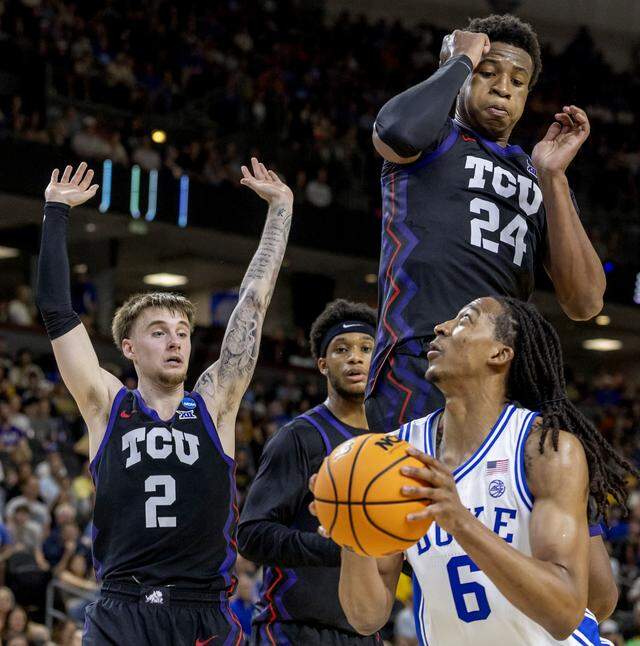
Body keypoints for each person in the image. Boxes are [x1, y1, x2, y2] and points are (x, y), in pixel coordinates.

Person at [35, 159, 294, 645]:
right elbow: (54, 309)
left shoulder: (216, 402)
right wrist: (55, 211)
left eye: (182, 332)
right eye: (159, 332)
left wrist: (281, 210)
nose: (176, 342)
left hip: (203, 611)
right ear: (129, 348)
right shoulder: (107, 404)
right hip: (123, 608)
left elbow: (254, 302)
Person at [320, 297, 635, 645]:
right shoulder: (396, 454)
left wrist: (460, 522)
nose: (440, 327)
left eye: (465, 319)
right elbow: (367, 617)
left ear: (499, 353)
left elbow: (565, 614)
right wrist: (349, 529)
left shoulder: (544, 449)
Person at [365, 14, 605, 435]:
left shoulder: (538, 175)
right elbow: (394, 132)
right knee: (412, 496)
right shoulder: (435, 137)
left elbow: (585, 301)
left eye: (518, 81)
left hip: (500, 372)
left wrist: (554, 177)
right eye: (488, 72)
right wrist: (458, 62)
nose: (502, 88)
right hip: (420, 355)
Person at [238, 299, 379, 645]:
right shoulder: (297, 437)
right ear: (322, 364)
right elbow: (251, 535)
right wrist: (338, 549)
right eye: (341, 349)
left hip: (364, 631)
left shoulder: (394, 441)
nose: (354, 357)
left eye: (366, 348)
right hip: (291, 628)